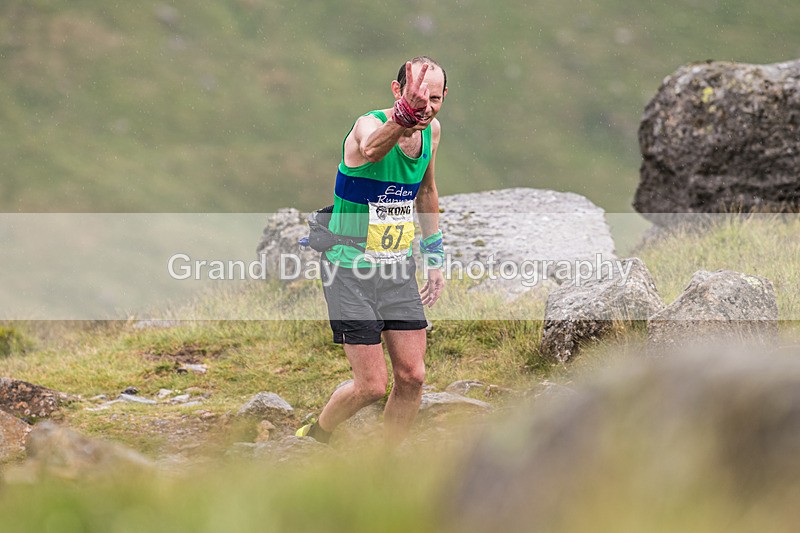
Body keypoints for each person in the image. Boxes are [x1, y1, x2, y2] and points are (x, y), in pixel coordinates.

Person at [296, 56, 448, 446]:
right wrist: (401, 117)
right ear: (397, 92)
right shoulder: (368, 124)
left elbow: (427, 192)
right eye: (416, 97)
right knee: (371, 387)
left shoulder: (432, 133)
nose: (425, 107)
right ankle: (317, 435)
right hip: (348, 270)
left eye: (433, 99)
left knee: (413, 377)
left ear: (443, 96)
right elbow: (372, 148)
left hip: (396, 269)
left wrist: (434, 257)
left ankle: (384, 462)